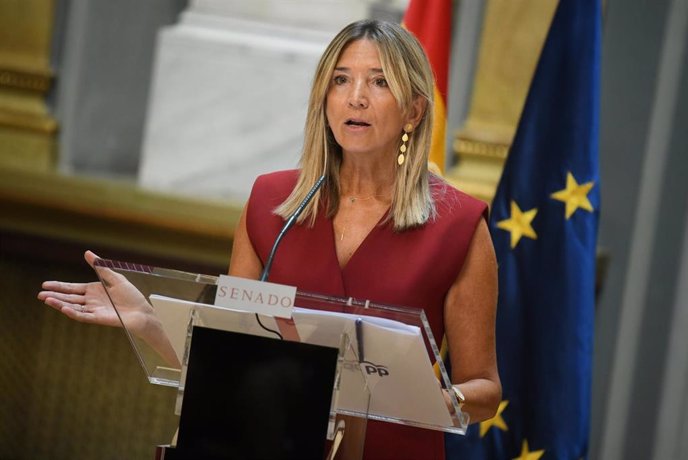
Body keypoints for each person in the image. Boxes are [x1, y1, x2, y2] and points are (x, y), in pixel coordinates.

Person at [39, 19, 500, 460]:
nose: (355, 98)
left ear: (415, 110)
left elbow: (484, 389)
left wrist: (424, 398)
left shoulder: (458, 225)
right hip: (270, 443)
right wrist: (147, 320)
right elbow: (230, 359)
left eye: (379, 82)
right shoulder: (271, 203)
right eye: (340, 80)